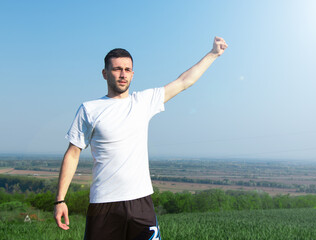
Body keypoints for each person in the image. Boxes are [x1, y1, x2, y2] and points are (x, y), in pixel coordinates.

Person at [54, 36, 228, 239]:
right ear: (104, 73)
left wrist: (213, 54)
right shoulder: (89, 109)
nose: (122, 74)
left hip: (141, 203)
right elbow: (73, 154)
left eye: (127, 70)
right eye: (117, 69)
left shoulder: (143, 102)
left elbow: (184, 81)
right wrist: (60, 200)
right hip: (104, 204)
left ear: (133, 74)